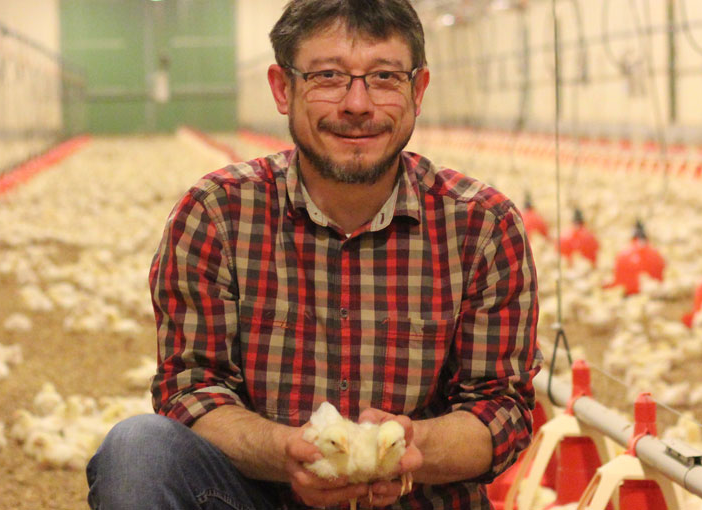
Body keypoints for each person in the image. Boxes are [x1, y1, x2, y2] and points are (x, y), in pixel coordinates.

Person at [87, 1, 539, 508]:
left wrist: (412, 448)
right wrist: (285, 452)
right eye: (328, 76)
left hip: (418, 501)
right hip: (260, 497)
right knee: (137, 449)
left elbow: (501, 407)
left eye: (385, 77)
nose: (358, 104)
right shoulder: (217, 213)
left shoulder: (481, 225)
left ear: (418, 89)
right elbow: (191, 388)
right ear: (283, 88)